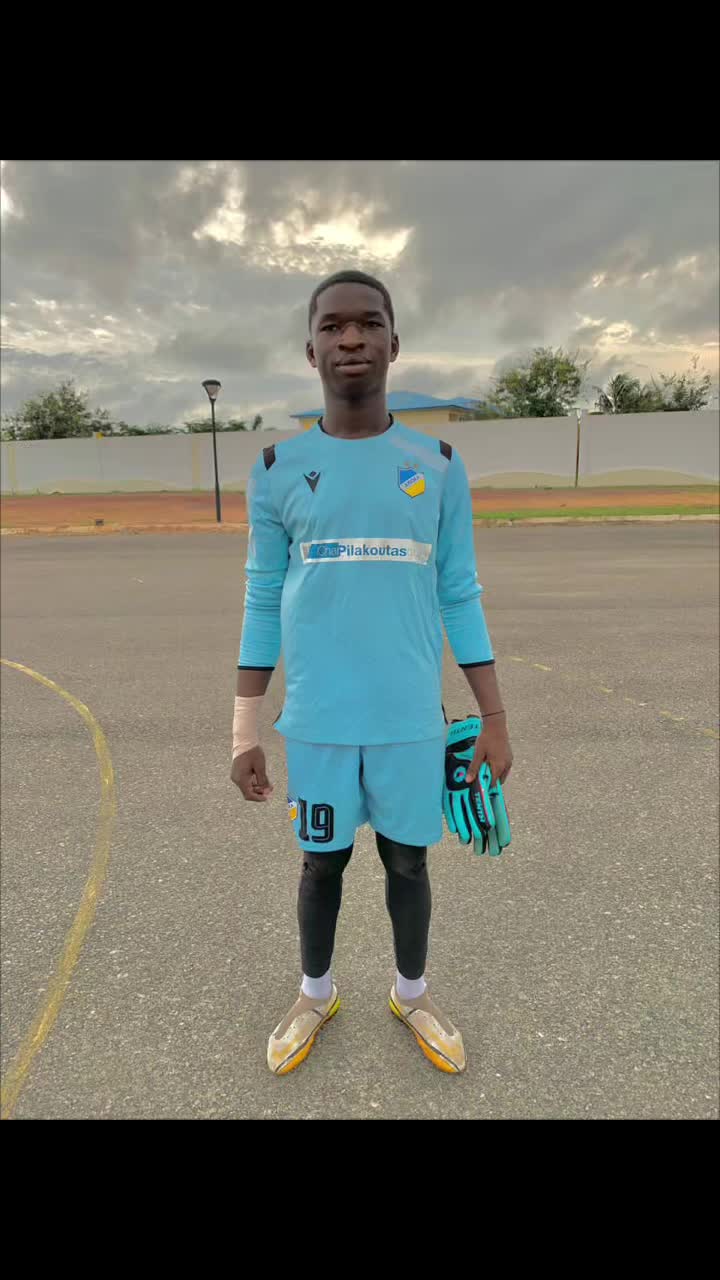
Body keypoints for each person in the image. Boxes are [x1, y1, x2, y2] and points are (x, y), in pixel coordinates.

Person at [231, 269, 513, 1076]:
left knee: (409, 862)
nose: (350, 337)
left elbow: (460, 593)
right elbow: (261, 600)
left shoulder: (439, 463)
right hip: (319, 725)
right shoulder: (276, 467)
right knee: (321, 864)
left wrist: (495, 719)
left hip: (409, 723)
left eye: (368, 323)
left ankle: (412, 993)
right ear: (311, 348)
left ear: (394, 342)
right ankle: (314, 995)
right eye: (333, 325)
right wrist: (244, 732)